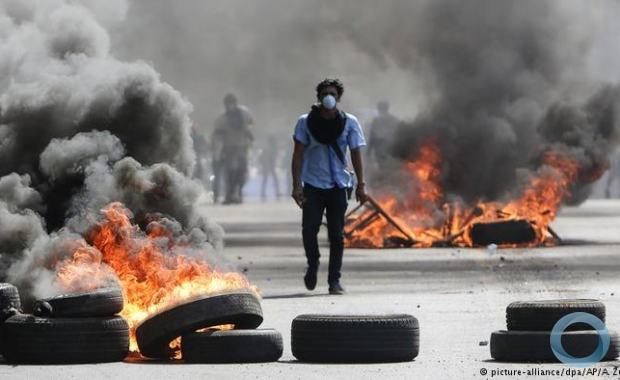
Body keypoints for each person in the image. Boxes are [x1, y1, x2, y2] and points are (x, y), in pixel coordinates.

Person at [291, 78, 367, 295]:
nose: (329, 97)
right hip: (313, 185)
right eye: (325, 93)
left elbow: (355, 153)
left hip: (338, 186)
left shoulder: (349, 122)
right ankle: (313, 264)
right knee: (309, 230)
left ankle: (334, 280)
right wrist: (296, 185)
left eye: (333, 93)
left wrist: (361, 184)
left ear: (338, 97)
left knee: (337, 235)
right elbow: (297, 155)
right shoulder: (305, 122)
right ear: (319, 97)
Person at [211, 94, 254, 204]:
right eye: (228, 104)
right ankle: (230, 195)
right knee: (229, 173)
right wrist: (217, 149)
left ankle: (238, 193)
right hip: (229, 148)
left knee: (241, 172)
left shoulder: (243, 114)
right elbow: (218, 134)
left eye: (231, 103)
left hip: (241, 146)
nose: (230, 106)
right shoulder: (223, 117)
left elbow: (250, 125)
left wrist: (249, 136)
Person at [367, 100, 400, 170]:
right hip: (391, 150)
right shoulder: (395, 120)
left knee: (384, 168)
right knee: (392, 168)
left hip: (381, 150)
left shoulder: (376, 121)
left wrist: (368, 152)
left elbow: (372, 137)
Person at [259, 133, 281, 201]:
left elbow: (261, 158)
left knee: (266, 180)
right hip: (269, 166)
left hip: (268, 166)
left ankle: (264, 192)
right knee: (272, 179)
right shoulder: (271, 148)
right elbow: (263, 158)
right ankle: (276, 192)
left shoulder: (267, 148)